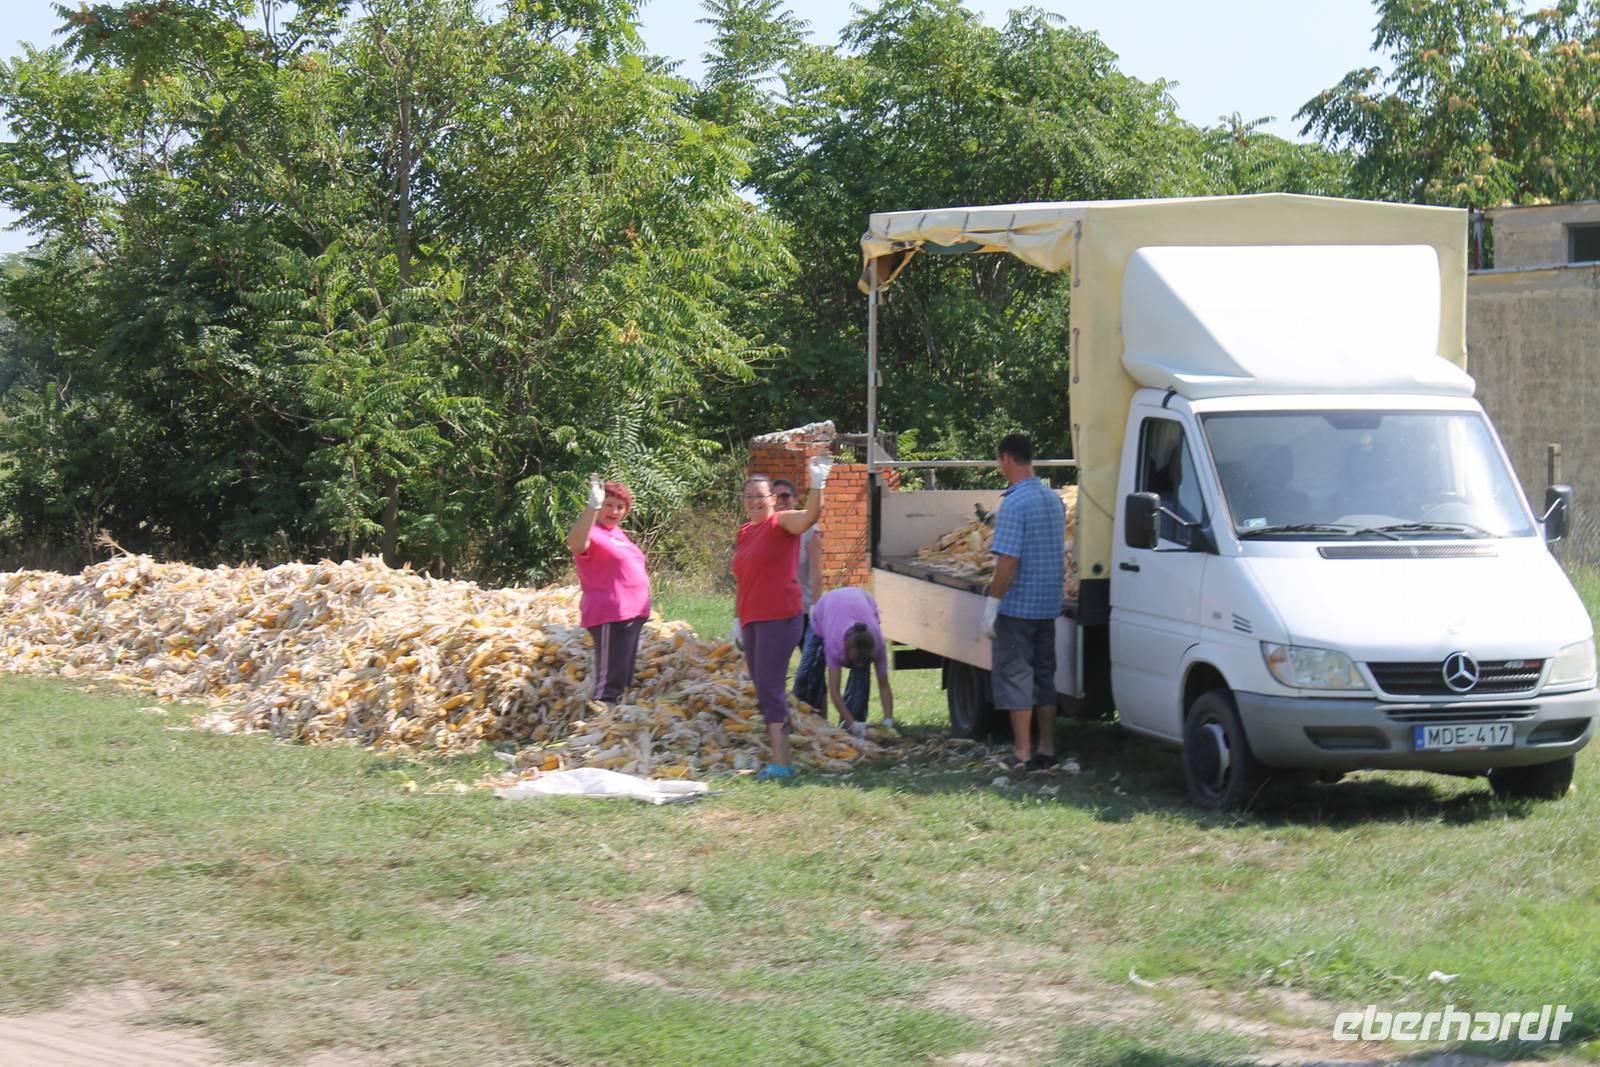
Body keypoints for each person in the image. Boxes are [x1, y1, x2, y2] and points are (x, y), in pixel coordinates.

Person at [731, 458, 830, 780]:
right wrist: (737, 619)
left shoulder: (782, 523)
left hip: (779, 617)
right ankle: (778, 755)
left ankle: (782, 763)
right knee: (762, 688)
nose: (756, 502)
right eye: (750, 498)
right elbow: (743, 579)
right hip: (751, 619)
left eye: (761, 496)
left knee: (771, 688)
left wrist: (818, 484)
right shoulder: (745, 532)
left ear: (773, 499)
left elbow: (812, 515)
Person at [980, 433, 1065, 771]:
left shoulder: (1014, 504)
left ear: (1006, 459)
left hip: (1017, 607)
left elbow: (1008, 561)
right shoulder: (1053, 499)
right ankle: (1047, 747)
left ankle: (1022, 752)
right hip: (1048, 603)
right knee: (1045, 676)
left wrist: (992, 603)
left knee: (1017, 676)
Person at [567, 474, 650, 709]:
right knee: (609, 684)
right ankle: (599, 727)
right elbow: (575, 543)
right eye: (608, 505)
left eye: (620, 507)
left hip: (633, 614)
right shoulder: (592, 532)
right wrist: (591, 506)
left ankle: (616, 728)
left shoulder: (618, 535)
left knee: (623, 678)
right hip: (610, 614)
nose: (614, 511)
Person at [794, 586, 894, 736]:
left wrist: (888, 721)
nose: (858, 665)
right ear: (847, 648)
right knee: (808, 674)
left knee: (861, 679)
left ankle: (853, 727)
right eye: (855, 661)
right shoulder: (834, 643)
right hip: (826, 609)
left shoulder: (877, 644)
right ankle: (806, 723)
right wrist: (853, 725)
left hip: (862, 601)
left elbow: (884, 685)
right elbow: (835, 691)